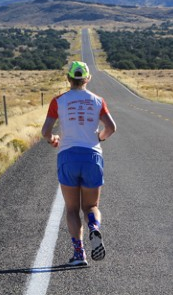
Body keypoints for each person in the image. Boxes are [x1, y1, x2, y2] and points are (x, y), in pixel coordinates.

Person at [42, 60, 117, 266]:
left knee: (72, 208)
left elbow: (46, 131)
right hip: (92, 156)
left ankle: (78, 253)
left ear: (68, 79)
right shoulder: (97, 100)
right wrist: (100, 138)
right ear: (88, 79)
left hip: (68, 156)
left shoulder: (58, 101)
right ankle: (94, 227)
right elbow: (111, 127)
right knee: (91, 205)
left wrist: (53, 139)